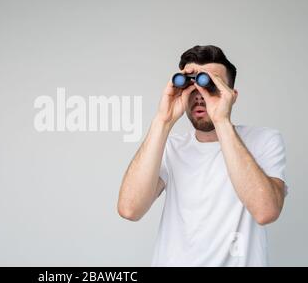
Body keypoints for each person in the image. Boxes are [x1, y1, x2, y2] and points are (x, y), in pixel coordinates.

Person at [117, 45, 287, 266]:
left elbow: (266, 211)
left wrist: (221, 120)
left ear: (232, 96)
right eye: (192, 85)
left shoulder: (263, 141)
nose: (200, 95)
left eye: (211, 85)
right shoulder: (171, 147)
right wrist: (163, 120)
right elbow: (130, 209)